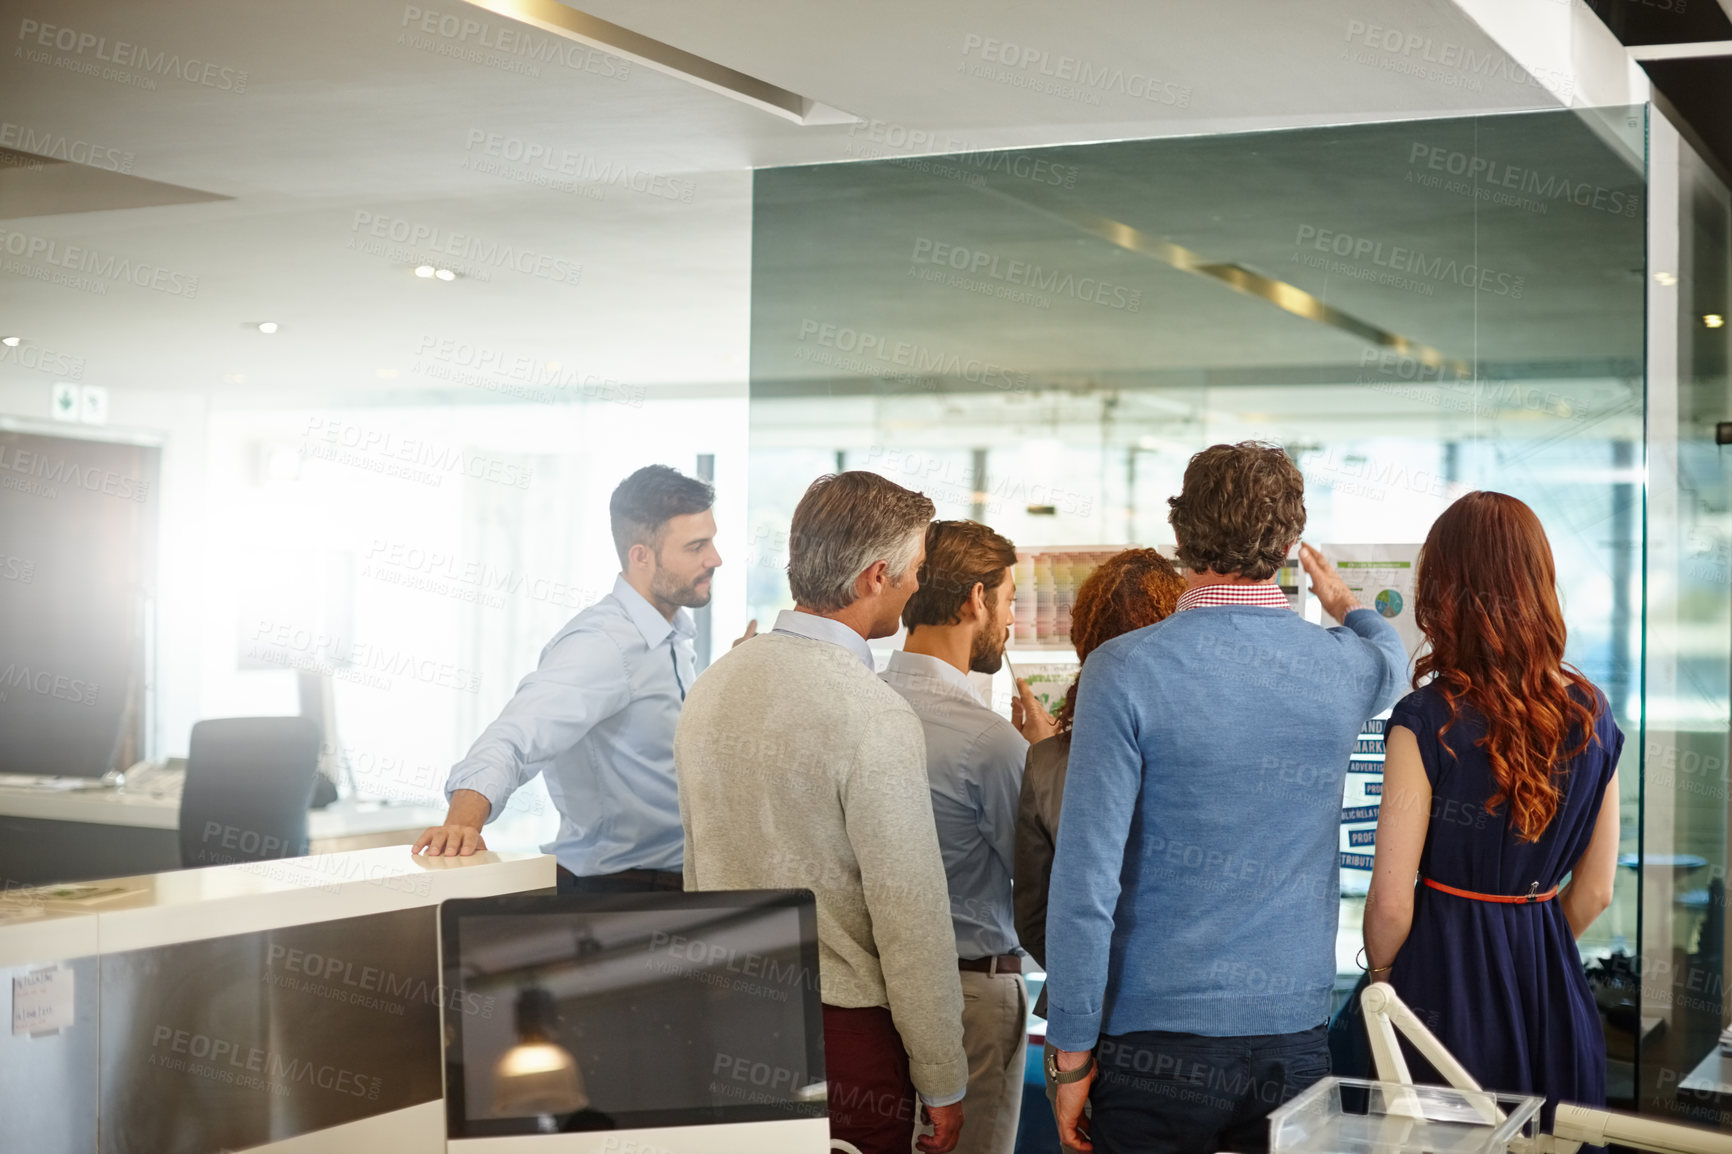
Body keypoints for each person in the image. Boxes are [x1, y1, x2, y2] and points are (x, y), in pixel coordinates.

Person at [1044, 441, 1407, 1154]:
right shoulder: (1341, 668)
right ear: (1289, 542)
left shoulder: (1125, 669)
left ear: (1182, 532)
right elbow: (1391, 660)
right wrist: (1346, 606)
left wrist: (1072, 1052)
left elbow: (1085, 883)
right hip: (1293, 1038)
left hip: (1155, 1045)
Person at [675, 471, 968, 1154]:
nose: (917, 587)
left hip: (723, 1023)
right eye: (914, 572)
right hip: (844, 1046)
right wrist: (944, 1080)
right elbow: (910, 916)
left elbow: (694, 865)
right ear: (874, 577)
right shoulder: (871, 713)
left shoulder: (714, 687)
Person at [1363, 492, 1621, 1123]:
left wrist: (1383, 975)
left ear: (1442, 590)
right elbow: (1595, 894)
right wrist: (1529, 941)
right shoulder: (1592, 713)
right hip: (1553, 986)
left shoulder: (1424, 720)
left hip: (1441, 991)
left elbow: (1392, 904)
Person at [411, 464, 723, 893]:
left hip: (676, 883)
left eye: (712, 541)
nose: (715, 559)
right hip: (620, 893)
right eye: (696, 546)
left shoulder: (672, 636)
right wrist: (461, 822)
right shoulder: (601, 645)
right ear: (641, 556)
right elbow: (514, 736)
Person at [882, 519, 1057, 1154]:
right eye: (1008, 600)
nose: (1009, 621)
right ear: (976, 600)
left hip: (878, 995)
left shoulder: (865, 705)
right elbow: (1045, 873)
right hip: (971, 1002)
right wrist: (1049, 764)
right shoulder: (989, 742)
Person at [1015, 548, 1185, 1019]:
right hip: (1188, 1016)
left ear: (1085, 640)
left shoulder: (1048, 764)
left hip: (1084, 1017)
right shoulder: (1205, 748)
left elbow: (1034, 921)